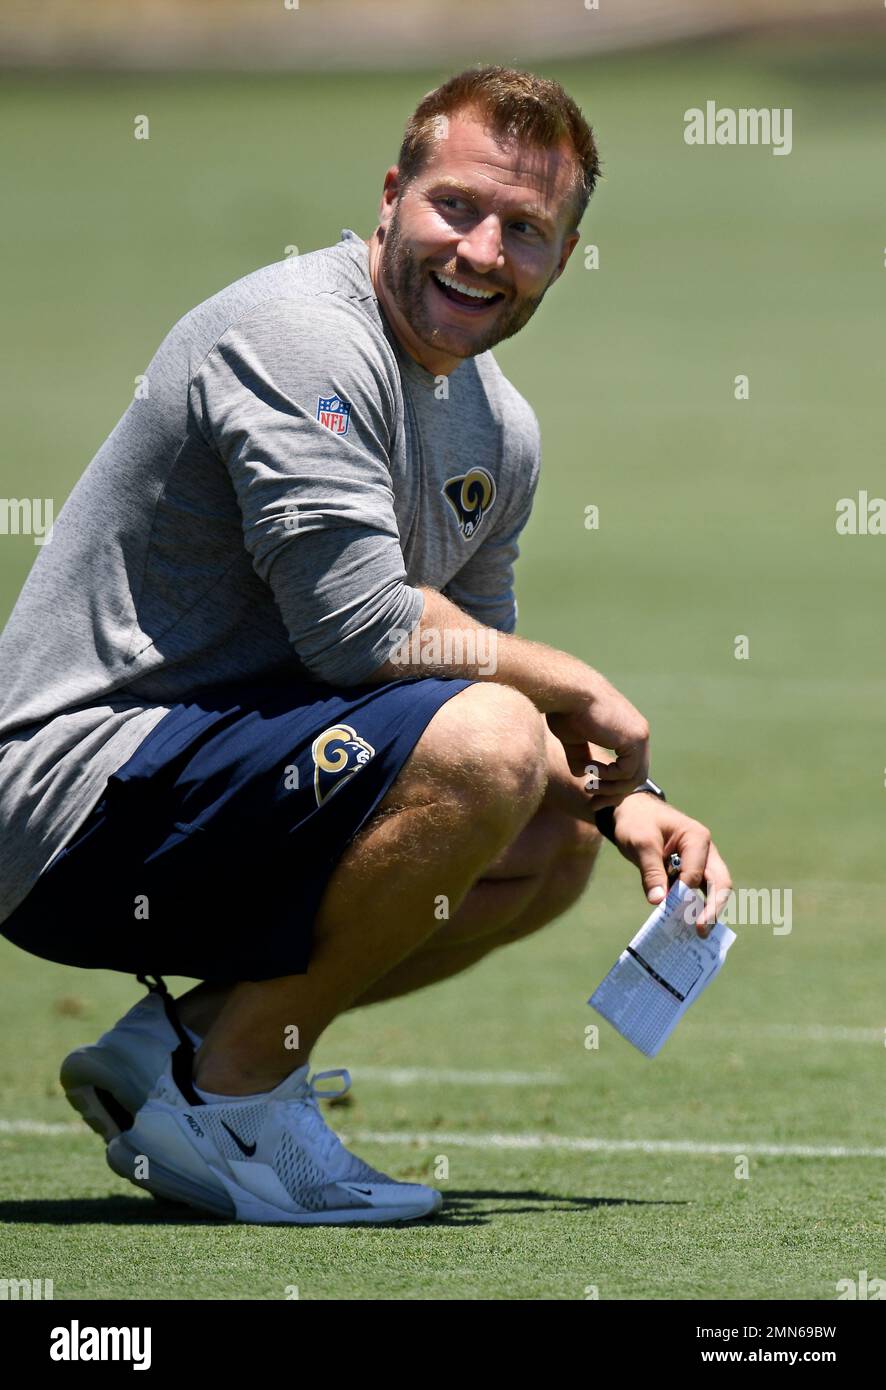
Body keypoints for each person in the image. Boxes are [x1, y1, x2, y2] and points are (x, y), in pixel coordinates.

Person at [0, 66, 731, 1224]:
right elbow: (361, 631)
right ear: (390, 194)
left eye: (525, 229)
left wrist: (620, 801)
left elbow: (468, 654)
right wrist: (585, 691)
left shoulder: (498, 423)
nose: (482, 250)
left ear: (563, 257)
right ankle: (228, 1095)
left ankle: (181, 1047)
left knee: (547, 837)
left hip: (227, 782)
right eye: (456, 206)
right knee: (494, 745)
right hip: (72, 799)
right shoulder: (301, 333)